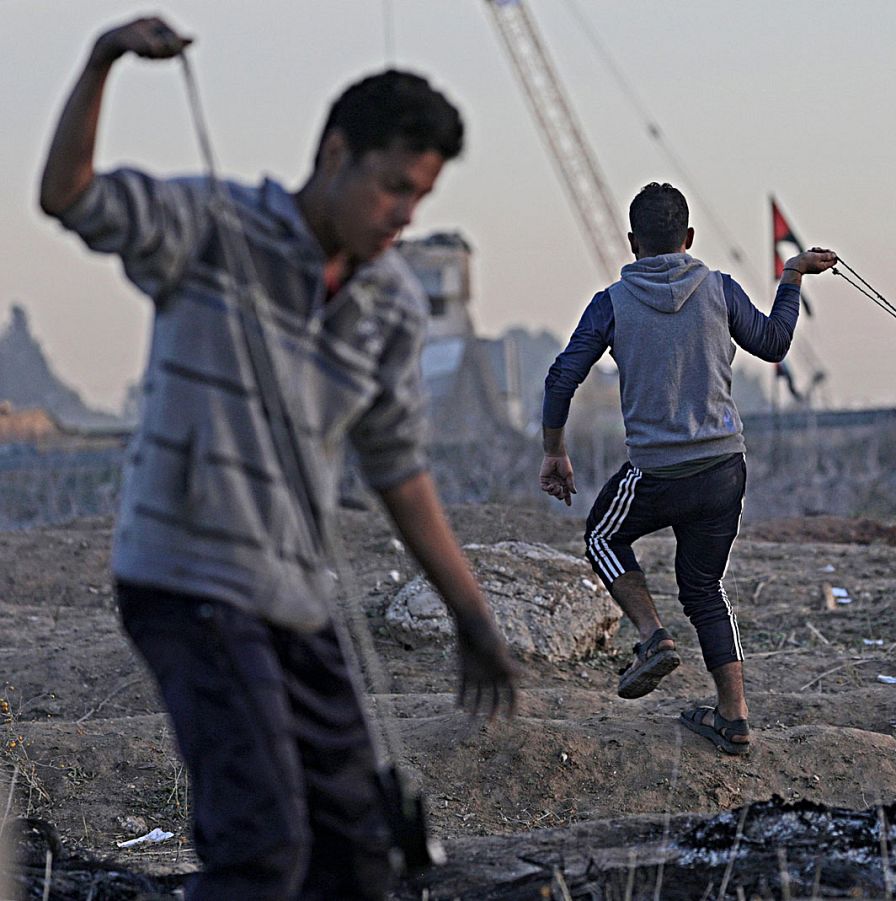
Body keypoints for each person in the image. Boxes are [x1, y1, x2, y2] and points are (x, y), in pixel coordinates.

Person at [39, 16, 518, 898]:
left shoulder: (391, 308)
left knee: (358, 856)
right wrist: (101, 58)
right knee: (260, 846)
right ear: (334, 154)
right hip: (186, 579)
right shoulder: (211, 229)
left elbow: (399, 470)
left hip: (292, 596)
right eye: (391, 188)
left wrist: (471, 613)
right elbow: (67, 195)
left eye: (421, 198)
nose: (405, 215)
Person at [539, 182, 835, 755]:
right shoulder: (719, 290)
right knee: (704, 586)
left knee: (602, 535)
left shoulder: (610, 304)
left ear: (632, 243)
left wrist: (555, 451)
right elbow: (774, 344)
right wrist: (792, 277)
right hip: (725, 468)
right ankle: (735, 717)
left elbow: (561, 378)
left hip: (658, 474)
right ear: (689, 239)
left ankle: (653, 638)